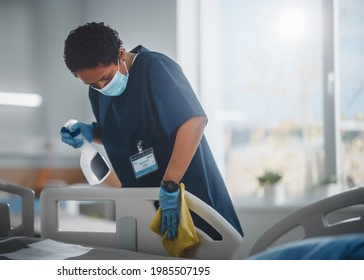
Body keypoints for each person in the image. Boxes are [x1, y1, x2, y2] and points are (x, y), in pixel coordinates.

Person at [60, 22, 243, 240]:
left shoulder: (155, 68)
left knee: (208, 255)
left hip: (185, 191)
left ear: (120, 53)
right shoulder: (98, 94)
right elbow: (123, 135)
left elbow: (193, 121)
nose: (101, 87)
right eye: (91, 84)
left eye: (106, 78)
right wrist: (91, 133)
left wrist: (170, 185)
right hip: (144, 200)